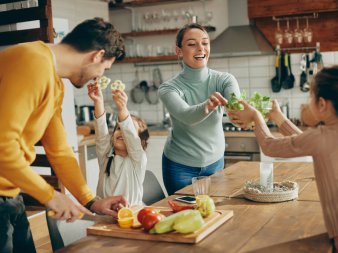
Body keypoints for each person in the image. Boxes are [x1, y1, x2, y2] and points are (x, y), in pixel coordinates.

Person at [0, 18, 128, 253]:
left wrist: (91, 201)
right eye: (104, 69)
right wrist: (50, 195)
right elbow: (2, 146)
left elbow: (59, 151)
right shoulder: (32, 61)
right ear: (97, 55)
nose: (99, 76)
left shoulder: (54, 83)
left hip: (9, 195)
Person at [229, 64, 338, 253]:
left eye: (311, 97)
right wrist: (278, 118)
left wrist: (256, 116)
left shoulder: (322, 137)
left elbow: (269, 146)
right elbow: (306, 142)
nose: (309, 103)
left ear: (322, 103)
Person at [158, 23, 241, 195]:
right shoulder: (169, 88)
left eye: (205, 43)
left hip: (215, 163)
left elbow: (236, 109)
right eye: (191, 44)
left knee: (214, 213)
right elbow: (186, 115)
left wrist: (243, 113)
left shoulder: (225, 80)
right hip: (179, 167)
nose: (200, 48)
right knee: (184, 216)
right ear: (179, 51)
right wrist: (208, 105)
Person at [87, 83, 149, 206]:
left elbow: (131, 137)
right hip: (104, 217)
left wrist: (122, 108)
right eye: (118, 128)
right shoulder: (106, 157)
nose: (121, 131)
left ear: (140, 142)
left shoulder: (138, 161)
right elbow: (101, 134)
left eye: (125, 129)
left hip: (132, 215)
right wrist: (98, 102)